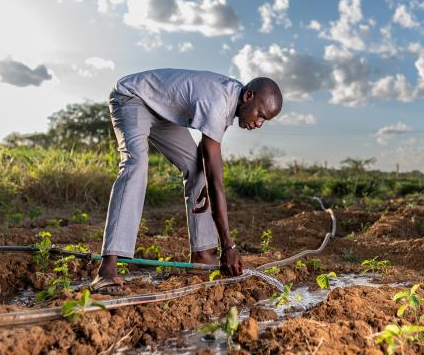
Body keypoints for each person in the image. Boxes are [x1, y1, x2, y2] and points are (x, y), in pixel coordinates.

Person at [90, 68, 283, 295]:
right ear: (248, 96)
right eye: (260, 115)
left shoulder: (231, 98)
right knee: (136, 166)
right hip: (132, 97)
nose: (259, 123)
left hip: (163, 113)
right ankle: (107, 269)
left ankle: (202, 255)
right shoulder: (218, 102)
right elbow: (216, 181)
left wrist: (206, 182)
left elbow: (206, 156)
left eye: (265, 120)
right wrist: (228, 246)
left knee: (197, 171)